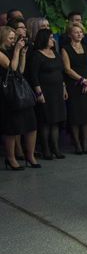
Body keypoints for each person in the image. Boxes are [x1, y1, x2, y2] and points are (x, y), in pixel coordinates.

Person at [0, 26, 39, 170]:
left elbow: (20, 70)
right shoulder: (1, 53)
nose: (13, 41)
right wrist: (17, 51)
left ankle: (30, 155)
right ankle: (11, 158)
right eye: (10, 38)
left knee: (32, 125)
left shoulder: (13, 50)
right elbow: (11, 68)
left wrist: (22, 54)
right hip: (9, 93)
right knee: (12, 128)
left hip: (20, 90)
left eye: (14, 38)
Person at [29, 29, 67, 160]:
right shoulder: (37, 55)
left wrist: (64, 88)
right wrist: (39, 93)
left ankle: (55, 148)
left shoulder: (55, 53)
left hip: (57, 91)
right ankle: (46, 149)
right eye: (50, 37)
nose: (53, 40)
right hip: (45, 92)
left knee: (55, 120)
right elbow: (34, 76)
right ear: (44, 39)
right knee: (46, 121)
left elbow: (61, 72)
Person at [62, 23, 87, 154]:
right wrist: (82, 80)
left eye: (81, 32)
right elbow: (67, 69)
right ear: (70, 34)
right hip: (74, 84)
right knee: (75, 116)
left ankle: (85, 143)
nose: (79, 34)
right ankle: (77, 144)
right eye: (76, 32)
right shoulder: (65, 49)